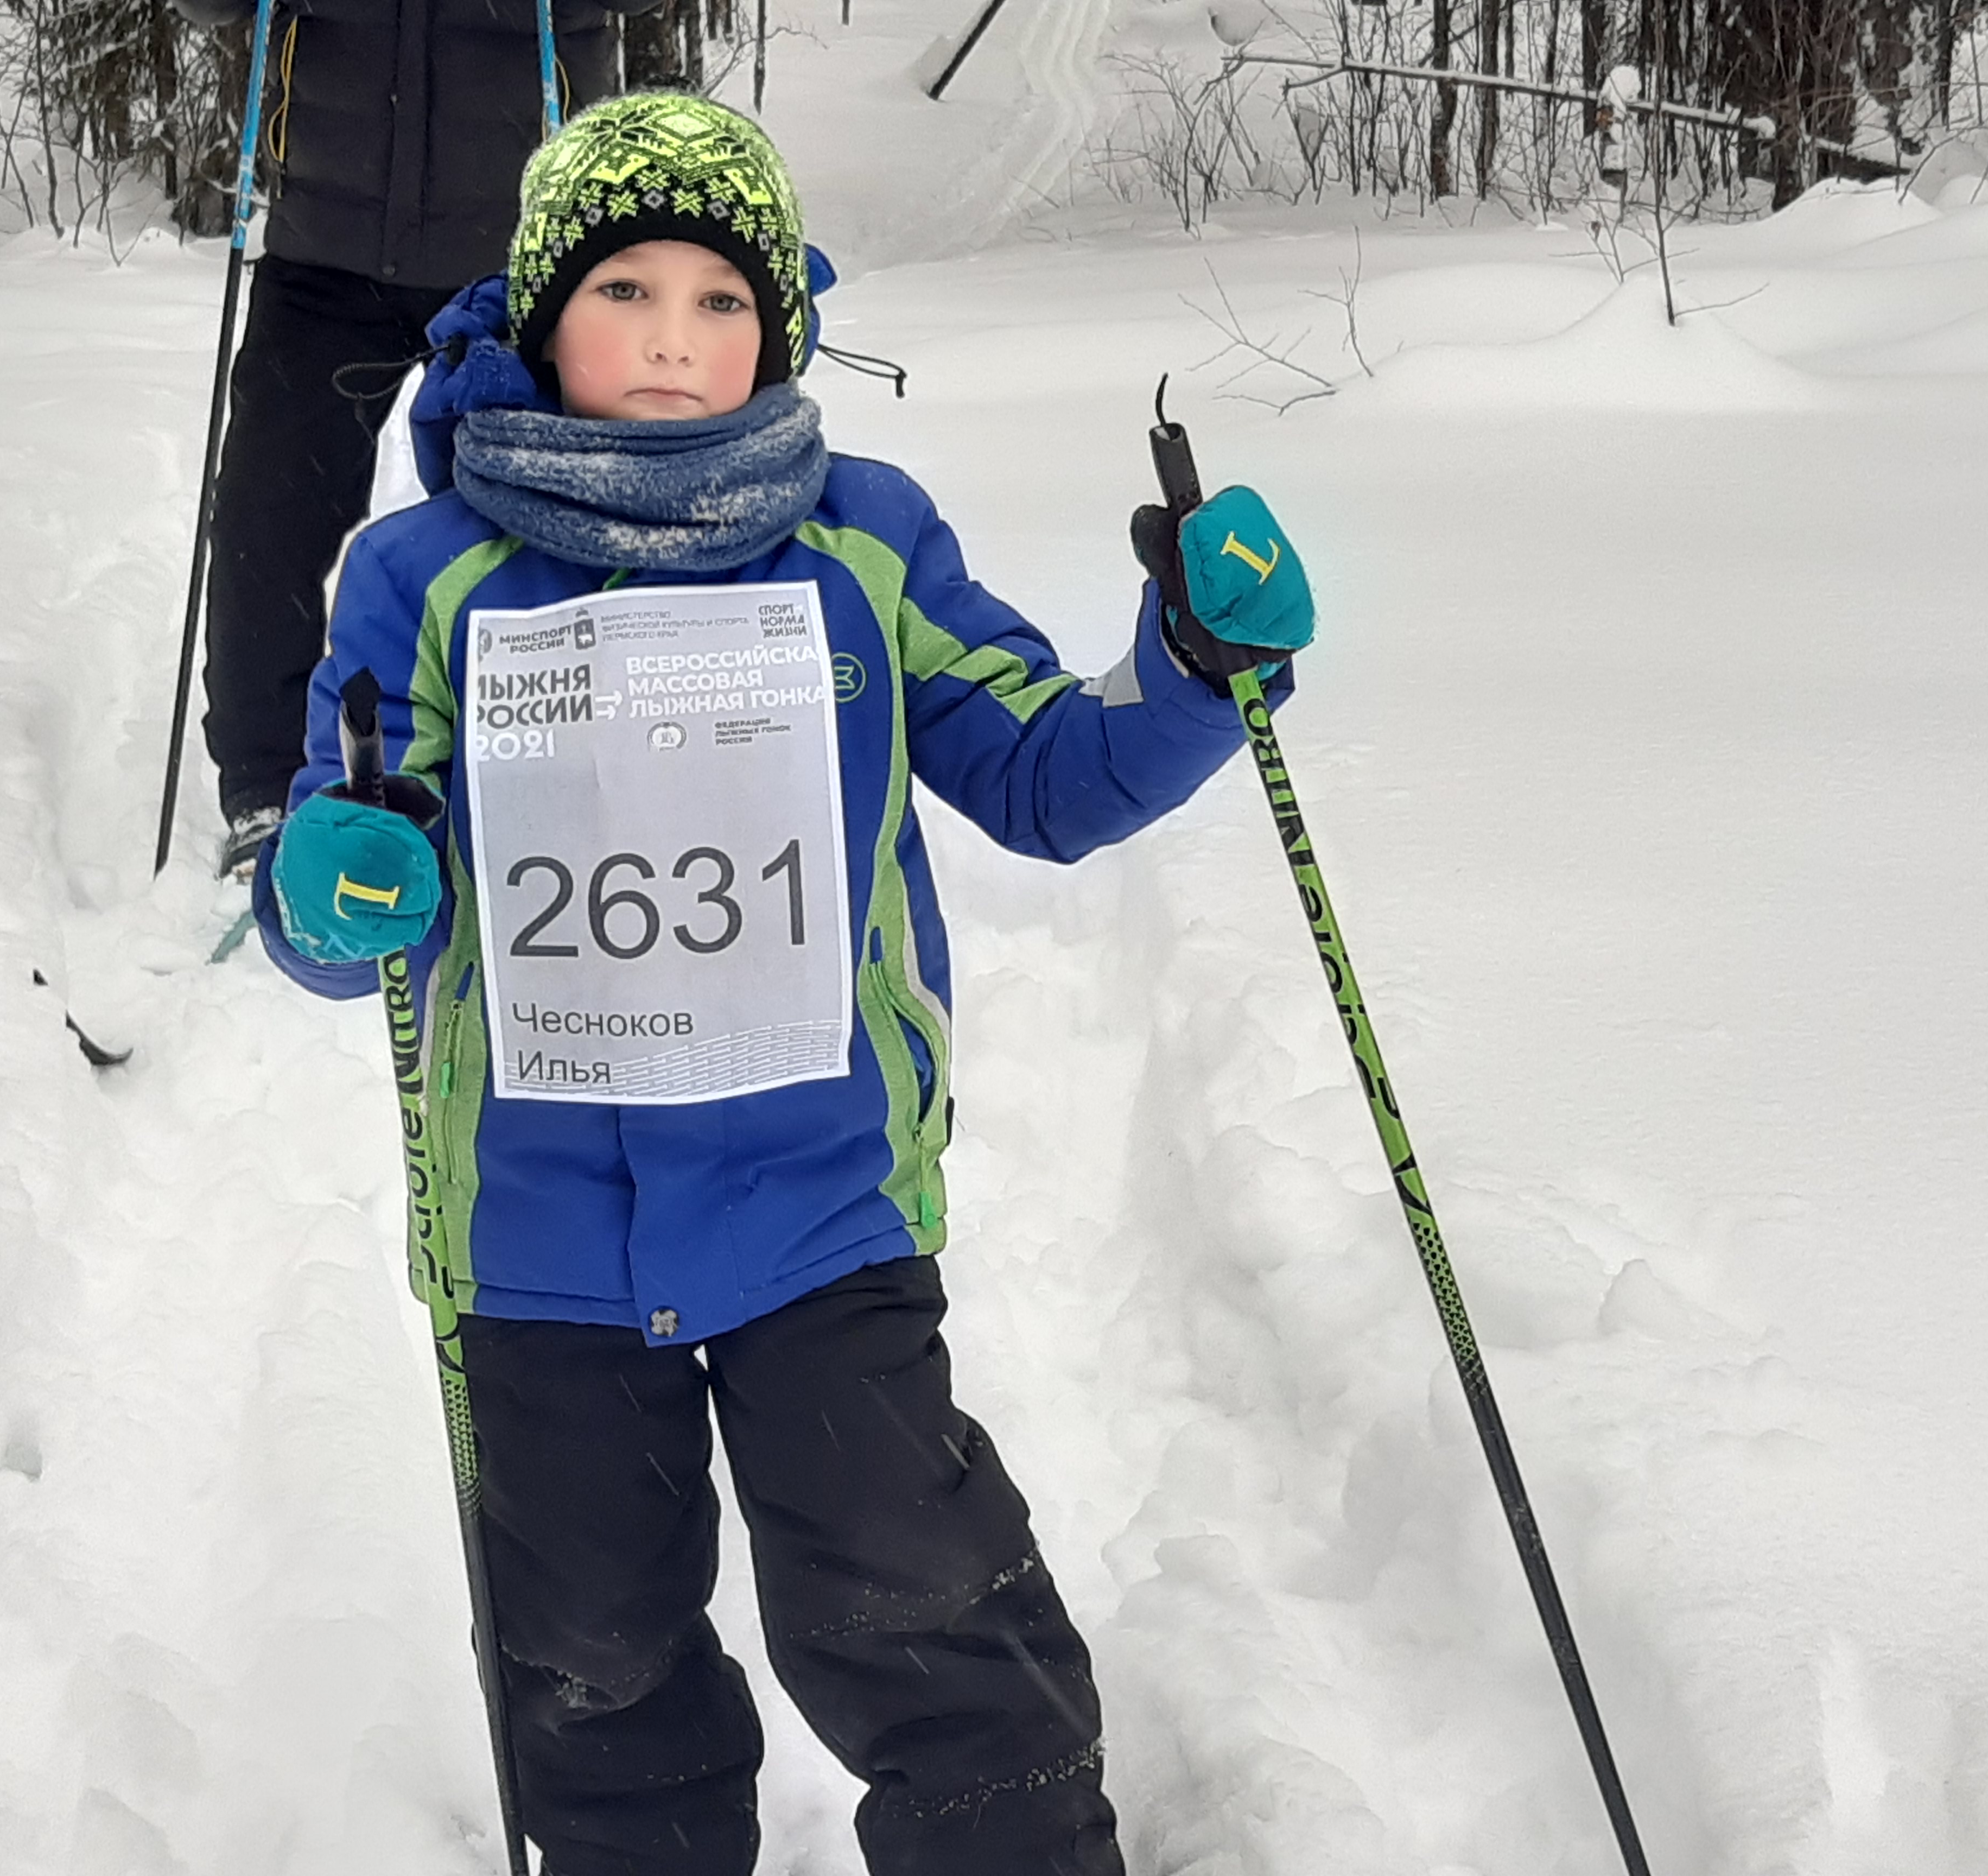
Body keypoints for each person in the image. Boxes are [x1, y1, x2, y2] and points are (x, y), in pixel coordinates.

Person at [250, 93, 1317, 1876]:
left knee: (923, 1598)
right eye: (626, 294)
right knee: (590, 1668)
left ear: (780, 327)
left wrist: (1199, 671)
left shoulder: (860, 540)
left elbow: (1053, 773)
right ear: (535, 316)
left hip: (820, 1208)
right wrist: (334, 884)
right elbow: (335, 880)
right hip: (533, 1246)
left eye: (720, 301)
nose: (675, 339)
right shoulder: (425, 581)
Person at [168, 0, 658, 877]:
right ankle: (265, 788)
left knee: (543, 528)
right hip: (325, 256)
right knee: (265, 520)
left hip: (518, 259)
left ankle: (551, 772)